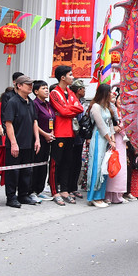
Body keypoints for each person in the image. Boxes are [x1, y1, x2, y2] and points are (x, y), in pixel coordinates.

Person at [48, 66, 84, 206]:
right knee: (56, 163)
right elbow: (63, 111)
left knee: (68, 162)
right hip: (59, 132)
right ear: (62, 77)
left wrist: (68, 108)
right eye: (70, 74)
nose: (72, 77)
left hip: (70, 133)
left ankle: (64, 190)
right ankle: (54, 191)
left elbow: (80, 107)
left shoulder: (70, 92)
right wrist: (70, 108)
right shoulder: (54, 93)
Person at [3, 76, 40, 208]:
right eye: (27, 84)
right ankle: (11, 197)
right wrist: (13, 143)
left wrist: (37, 139)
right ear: (19, 86)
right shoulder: (12, 102)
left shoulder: (30, 102)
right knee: (13, 172)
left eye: (31, 84)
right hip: (16, 143)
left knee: (27, 171)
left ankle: (23, 195)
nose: (30, 86)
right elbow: (8, 124)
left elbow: (35, 121)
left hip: (28, 143)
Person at [87, 83, 115, 208]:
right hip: (99, 138)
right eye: (110, 92)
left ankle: (100, 195)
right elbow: (101, 126)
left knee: (104, 167)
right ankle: (94, 196)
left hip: (107, 139)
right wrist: (110, 140)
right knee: (97, 166)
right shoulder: (95, 107)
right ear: (105, 93)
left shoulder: (107, 108)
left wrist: (112, 139)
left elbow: (109, 125)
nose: (112, 94)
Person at [31, 80, 55, 201]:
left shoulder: (48, 104)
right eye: (43, 88)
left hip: (48, 138)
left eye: (47, 88)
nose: (46, 90)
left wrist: (51, 133)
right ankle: (32, 190)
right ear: (36, 91)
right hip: (38, 139)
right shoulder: (34, 104)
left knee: (43, 164)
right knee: (36, 164)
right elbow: (34, 123)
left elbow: (51, 120)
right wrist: (45, 134)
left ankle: (40, 189)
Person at [68, 79, 87, 201]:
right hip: (70, 135)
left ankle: (74, 187)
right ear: (79, 90)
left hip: (79, 137)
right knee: (69, 163)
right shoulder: (71, 100)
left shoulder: (82, 102)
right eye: (83, 89)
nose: (85, 91)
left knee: (77, 163)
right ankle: (67, 188)